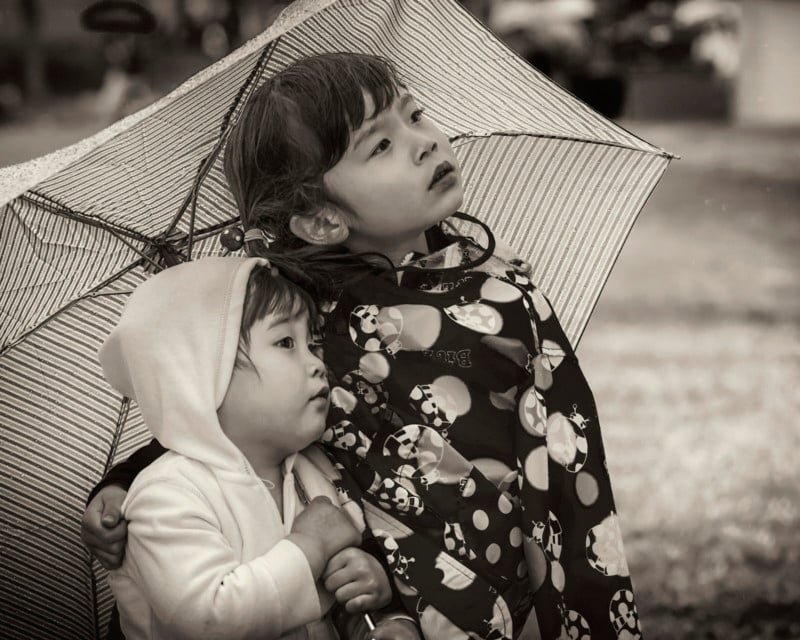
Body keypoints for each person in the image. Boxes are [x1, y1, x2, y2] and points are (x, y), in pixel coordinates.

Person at [83, 52, 643, 639]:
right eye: (379, 146)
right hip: (368, 585)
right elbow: (217, 414)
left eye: (416, 116)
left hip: (493, 568)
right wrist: (121, 481)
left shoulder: (502, 293)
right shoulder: (309, 314)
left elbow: (563, 448)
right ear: (321, 221)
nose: (424, 142)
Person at [95, 255, 419, 640]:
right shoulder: (166, 495)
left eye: (313, 344)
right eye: (286, 342)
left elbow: (335, 603)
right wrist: (309, 547)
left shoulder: (319, 474)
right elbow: (205, 622)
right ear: (201, 375)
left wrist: (380, 609)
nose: (318, 364)